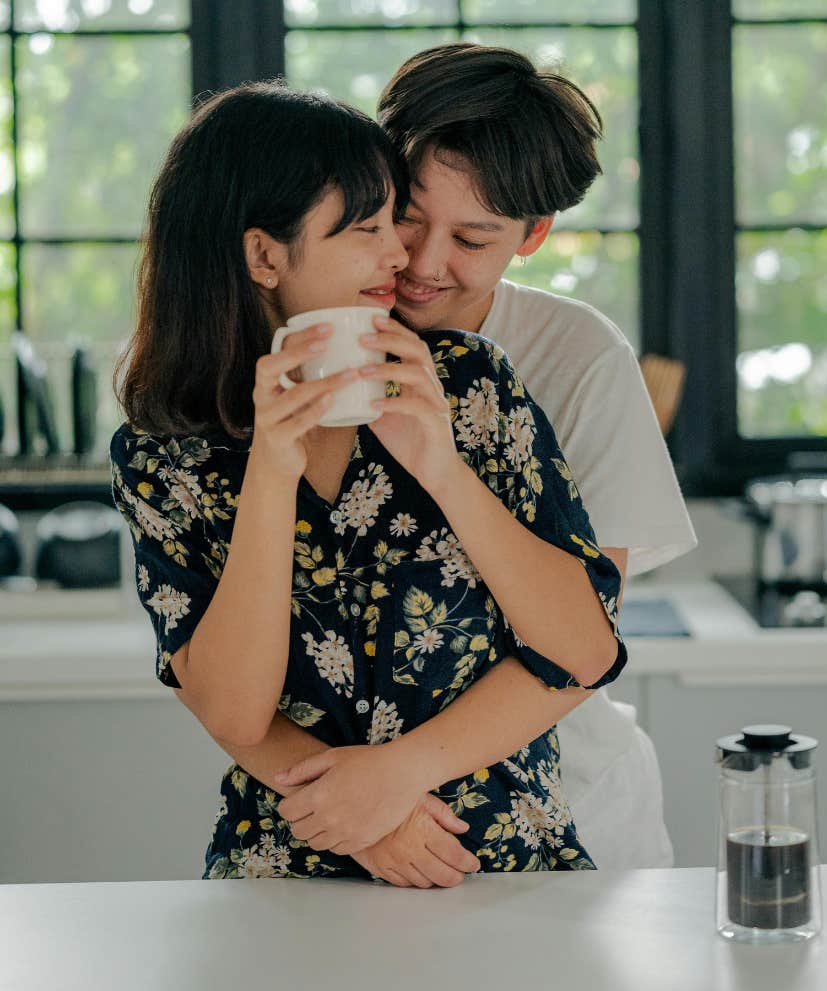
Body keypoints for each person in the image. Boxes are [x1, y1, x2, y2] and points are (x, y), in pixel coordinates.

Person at [110, 80, 627, 883]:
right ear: (263, 256)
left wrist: (441, 467)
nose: (404, 256)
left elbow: (586, 648)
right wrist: (272, 478)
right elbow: (236, 712)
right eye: (370, 228)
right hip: (290, 874)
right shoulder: (165, 457)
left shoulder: (468, 380)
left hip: (500, 871)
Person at [376, 42, 697, 868]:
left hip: (574, 805)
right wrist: (368, 800)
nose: (423, 261)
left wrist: (395, 777)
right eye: (408, 214)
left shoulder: (578, 355)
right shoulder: (309, 335)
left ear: (534, 234)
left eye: (473, 238)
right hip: (352, 823)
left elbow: (582, 642)